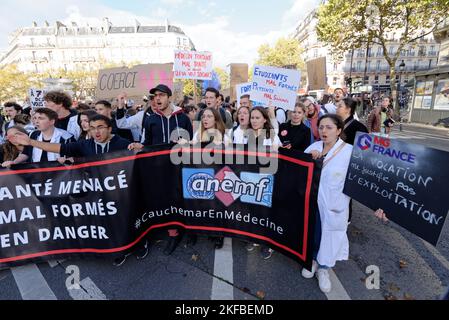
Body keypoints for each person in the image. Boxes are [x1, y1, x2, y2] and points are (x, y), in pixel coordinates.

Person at [129, 84, 193, 256]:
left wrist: (185, 144)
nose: (157, 98)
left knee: (185, 197)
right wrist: (139, 146)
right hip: (159, 167)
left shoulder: (183, 118)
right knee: (166, 200)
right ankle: (173, 234)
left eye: (161, 95)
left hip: (180, 165)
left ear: (169, 97)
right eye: (155, 95)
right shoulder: (150, 119)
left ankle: (190, 229)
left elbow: (192, 143)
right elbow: (147, 143)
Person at [302, 114, 353, 293]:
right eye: (321, 127)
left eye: (329, 127)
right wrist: (309, 158)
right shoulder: (314, 147)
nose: (324, 131)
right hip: (313, 203)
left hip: (333, 205)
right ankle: (313, 261)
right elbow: (299, 172)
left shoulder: (349, 152)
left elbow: (361, 183)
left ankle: (324, 269)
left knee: (328, 237)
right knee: (313, 233)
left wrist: (378, 206)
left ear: (339, 130)